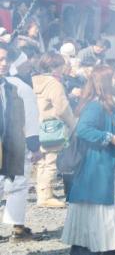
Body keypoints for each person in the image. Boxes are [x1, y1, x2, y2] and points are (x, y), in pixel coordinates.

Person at [61, 66, 115, 255]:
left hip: (98, 160)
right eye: (113, 78)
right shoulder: (96, 105)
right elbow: (83, 130)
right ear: (105, 82)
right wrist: (110, 138)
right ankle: (109, 248)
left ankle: (80, 248)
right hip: (96, 161)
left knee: (87, 204)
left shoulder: (103, 103)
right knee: (103, 203)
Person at [2, 45, 40, 241]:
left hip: (13, 143)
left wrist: (33, 145)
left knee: (18, 184)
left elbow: (30, 118)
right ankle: (17, 227)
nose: (4, 63)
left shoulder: (17, 86)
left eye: (6, 59)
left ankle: (17, 227)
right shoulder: (19, 85)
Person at [31, 52, 75, 207]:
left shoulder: (34, 80)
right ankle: (46, 196)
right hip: (51, 127)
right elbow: (62, 108)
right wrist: (72, 124)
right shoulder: (54, 84)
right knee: (50, 161)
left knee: (41, 161)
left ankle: (42, 192)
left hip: (35, 126)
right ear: (56, 66)